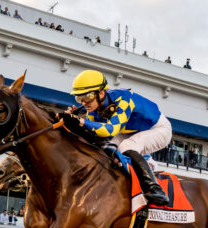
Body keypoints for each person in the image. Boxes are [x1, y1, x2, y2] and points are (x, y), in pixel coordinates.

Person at [61, 70, 171, 205]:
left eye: (87, 97)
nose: (83, 103)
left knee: (126, 146)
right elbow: (95, 135)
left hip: (158, 129)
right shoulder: (93, 109)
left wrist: (80, 121)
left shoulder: (124, 100)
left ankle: (156, 189)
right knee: (103, 146)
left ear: (100, 94)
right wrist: (72, 124)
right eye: (79, 98)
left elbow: (110, 129)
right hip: (130, 131)